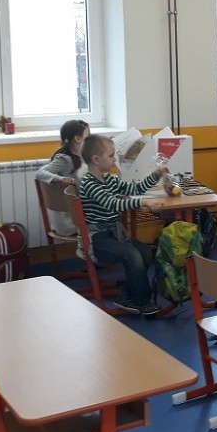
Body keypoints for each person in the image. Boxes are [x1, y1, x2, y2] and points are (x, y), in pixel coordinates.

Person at [78, 134, 172, 315]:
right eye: (111, 155)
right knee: (132, 255)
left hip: (114, 235)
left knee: (146, 253)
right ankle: (141, 301)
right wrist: (144, 202)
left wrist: (156, 175)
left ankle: (128, 296)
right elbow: (113, 203)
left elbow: (135, 189)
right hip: (97, 239)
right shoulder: (89, 183)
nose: (115, 159)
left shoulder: (110, 179)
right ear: (96, 160)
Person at [35, 119, 90, 236]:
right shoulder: (65, 160)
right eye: (88, 135)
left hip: (75, 218)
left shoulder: (81, 157)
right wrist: (60, 179)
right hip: (70, 223)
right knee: (111, 219)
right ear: (78, 138)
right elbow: (40, 173)